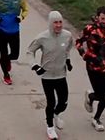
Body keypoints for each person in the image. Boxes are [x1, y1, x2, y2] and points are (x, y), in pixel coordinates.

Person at [28, 10, 74, 139]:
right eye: (55, 22)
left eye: (60, 22)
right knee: (51, 101)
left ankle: (55, 114)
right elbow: (29, 52)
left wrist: (68, 60)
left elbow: (68, 48)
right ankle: (50, 127)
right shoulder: (42, 37)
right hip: (47, 75)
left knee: (63, 102)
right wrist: (35, 66)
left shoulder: (68, 35)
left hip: (61, 74)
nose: (58, 25)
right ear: (50, 23)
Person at [76, 6, 105, 132]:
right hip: (92, 66)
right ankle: (92, 96)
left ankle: (96, 118)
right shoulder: (89, 29)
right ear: (97, 17)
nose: (104, 21)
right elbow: (78, 42)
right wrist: (85, 55)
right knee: (100, 93)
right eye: (102, 18)